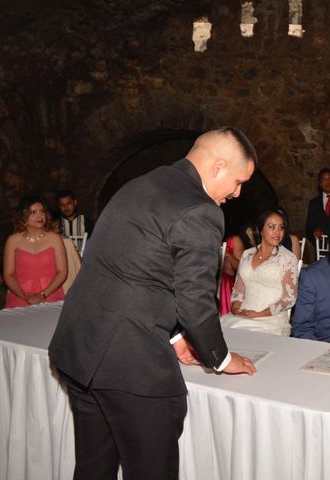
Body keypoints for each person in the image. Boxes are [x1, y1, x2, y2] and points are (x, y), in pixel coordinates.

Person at [48, 127, 258, 480]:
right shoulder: (200, 209)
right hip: (131, 366)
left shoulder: (142, 184)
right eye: (238, 181)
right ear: (219, 166)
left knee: (93, 468)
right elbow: (196, 305)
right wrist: (221, 359)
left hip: (79, 348)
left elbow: (138, 271)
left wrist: (176, 339)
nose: (237, 193)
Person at [221, 209, 299, 336]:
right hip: (243, 315)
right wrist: (236, 308)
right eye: (272, 227)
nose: (277, 232)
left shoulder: (287, 258)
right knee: (220, 331)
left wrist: (259, 314)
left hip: (271, 320)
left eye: (281, 228)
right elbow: (238, 289)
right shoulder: (247, 254)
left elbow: (289, 298)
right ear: (260, 230)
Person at [3, 196, 68, 308]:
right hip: (20, 295)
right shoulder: (12, 241)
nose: (40, 216)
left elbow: (62, 272)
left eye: (42, 211)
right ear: (23, 216)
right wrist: (24, 297)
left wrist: (42, 295)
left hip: (51, 293)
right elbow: (8, 275)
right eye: (33, 212)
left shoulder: (54, 239)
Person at [218, 228, 245, 316]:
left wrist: (227, 255)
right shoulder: (210, 237)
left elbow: (242, 268)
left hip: (225, 286)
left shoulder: (234, 239)